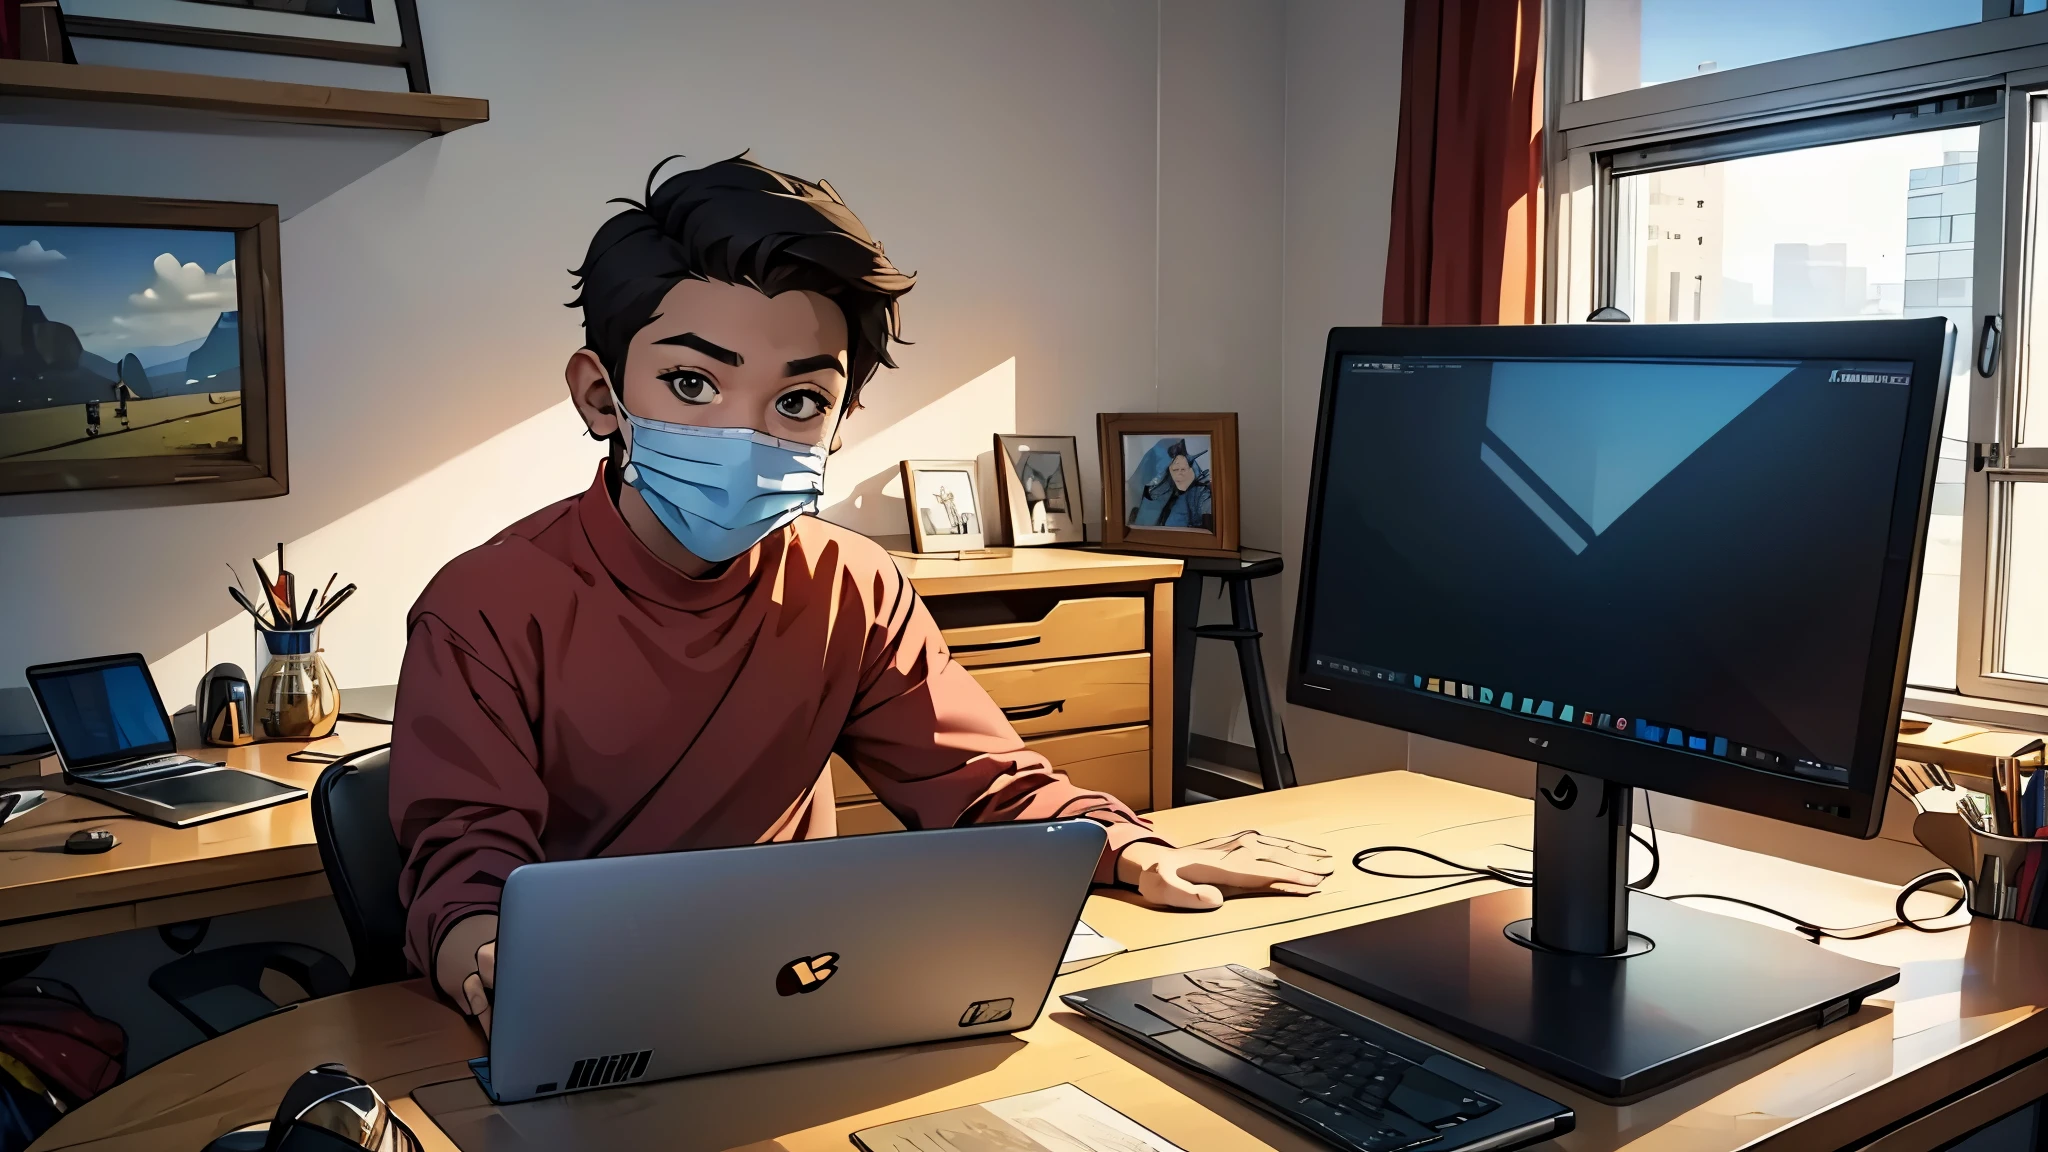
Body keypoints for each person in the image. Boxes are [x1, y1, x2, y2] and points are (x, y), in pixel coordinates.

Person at [388, 155, 1330, 1034]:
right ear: (601, 396)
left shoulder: (851, 584)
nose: (748, 434)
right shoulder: (483, 608)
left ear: (842, 416)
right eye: (691, 382)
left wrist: (1131, 849)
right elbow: (464, 876)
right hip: (587, 1016)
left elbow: (980, 785)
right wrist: (493, 957)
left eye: (798, 402)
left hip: (793, 998)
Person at [1131, 439, 1213, 529]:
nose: (1179, 473)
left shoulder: (1201, 493)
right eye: (1175, 470)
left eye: (1183, 469)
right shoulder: (1162, 486)